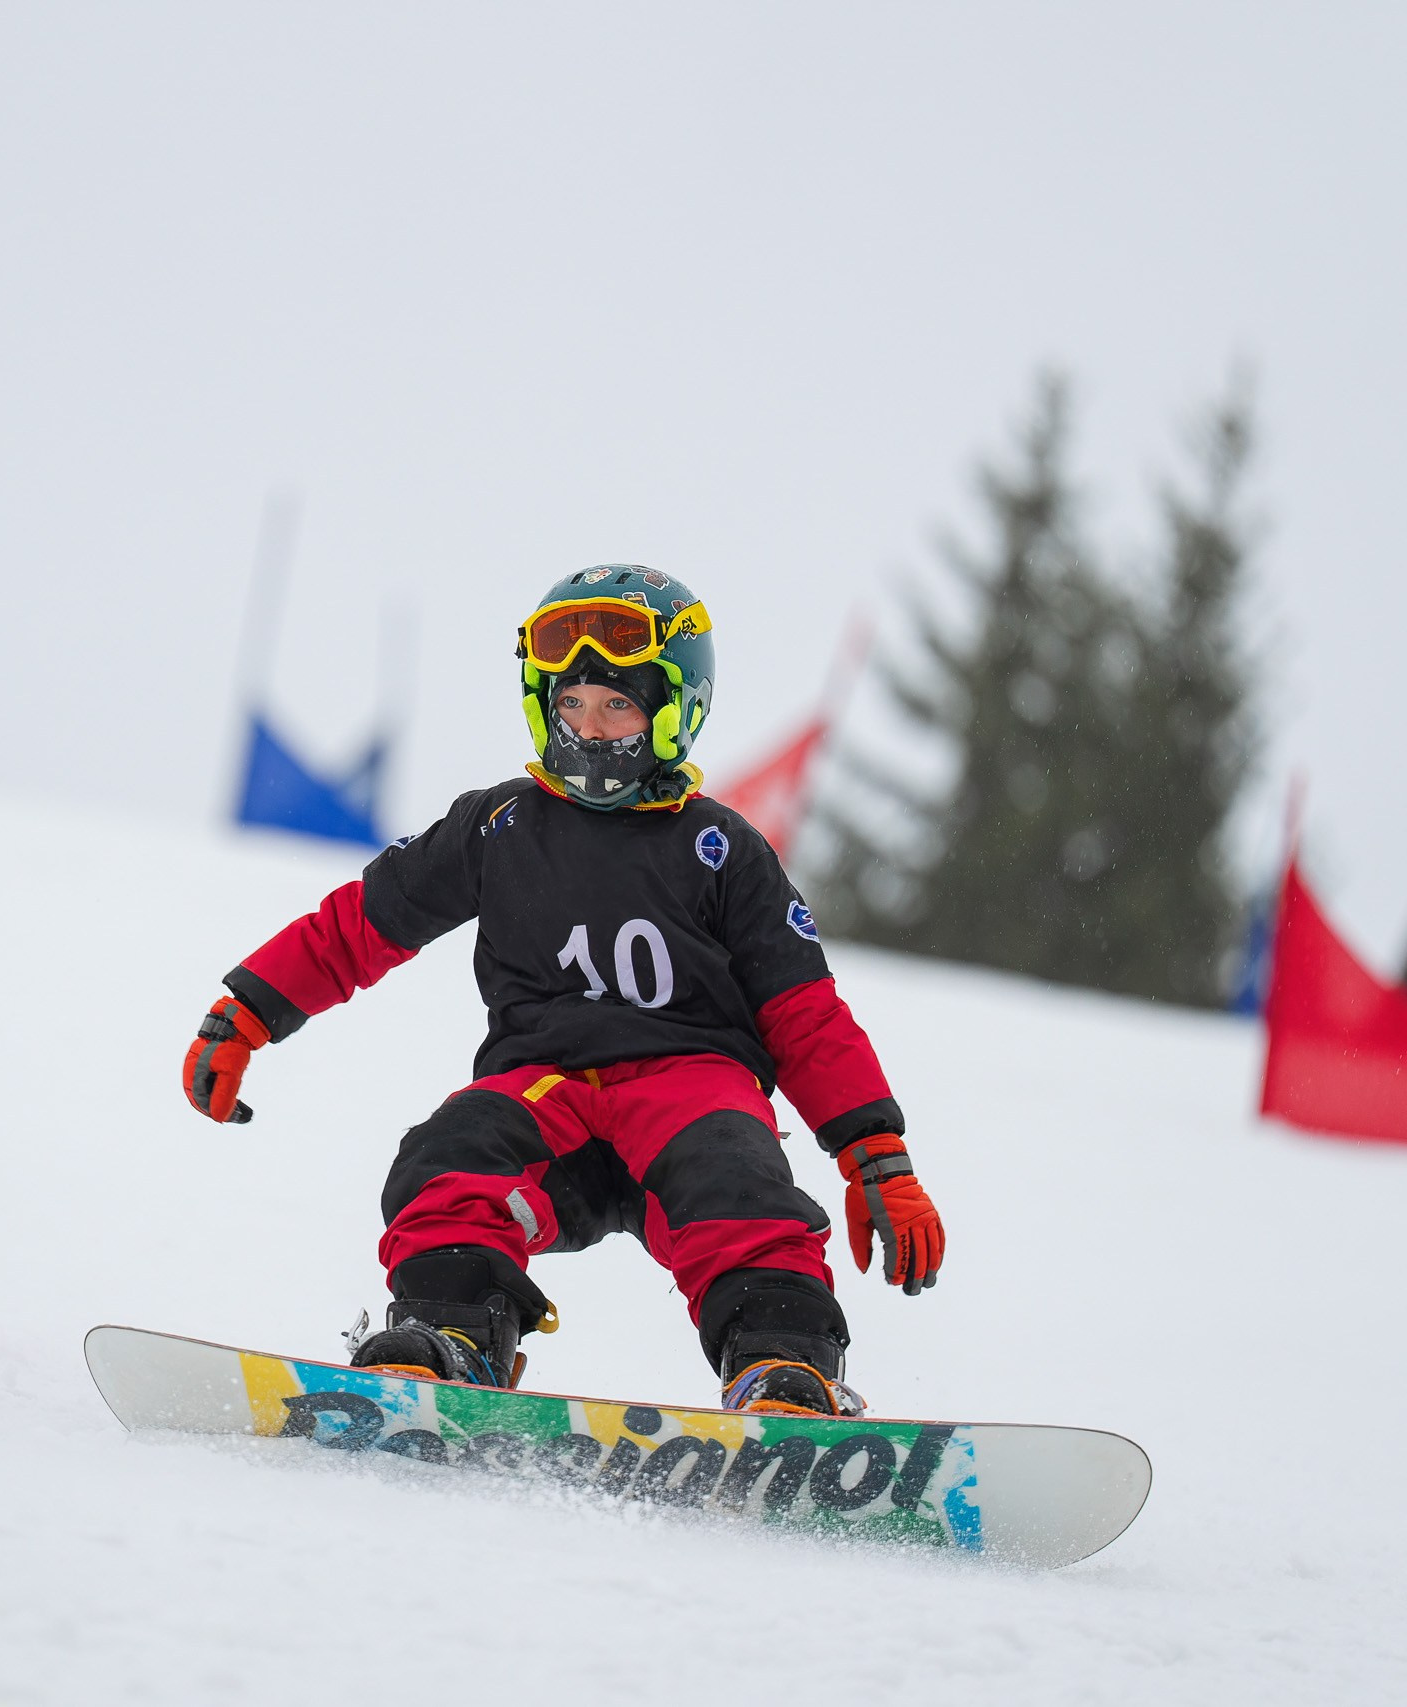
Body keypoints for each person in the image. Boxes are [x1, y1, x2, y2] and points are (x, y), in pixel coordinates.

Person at [181, 566, 943, 1416]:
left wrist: (876, 1153)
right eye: (571, 704)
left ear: (674, 711)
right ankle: (453, 1332)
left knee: (741, 1187)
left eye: (617, 706)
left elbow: (804, 1015)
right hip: (546, 1090)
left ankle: (782, 1368)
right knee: (453, 1151)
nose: (590, 727)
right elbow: (359, 924)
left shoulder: (723, 849)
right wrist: (247, 1009)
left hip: (691, 1085)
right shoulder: (497, 827)